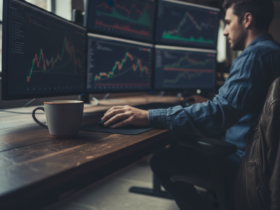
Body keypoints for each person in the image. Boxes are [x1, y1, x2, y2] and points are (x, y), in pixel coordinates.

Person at [101, 0, 280, 209]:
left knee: (162, 160)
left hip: (241, 162)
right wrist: (212, 103)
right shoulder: (273, 52)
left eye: (228, 22)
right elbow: (239, 105)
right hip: (261, 162)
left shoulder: (254, 55)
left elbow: (218, 115)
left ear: (247, 20)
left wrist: (147, 116)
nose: (225, 32)